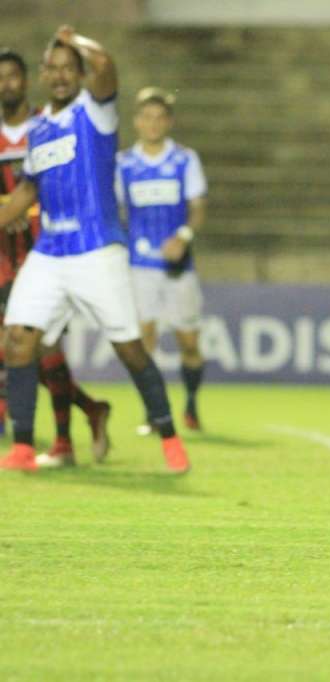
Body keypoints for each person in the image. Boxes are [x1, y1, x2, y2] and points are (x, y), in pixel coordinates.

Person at [0, 27, 189, 473]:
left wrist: (76, 39)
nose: (62, 76)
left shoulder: (96, 111)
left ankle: (169, 436)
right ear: (43, 74)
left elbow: (107, 68)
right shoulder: (40, 126)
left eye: (70, 69)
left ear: (81, 74)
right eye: (55, 68)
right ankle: (24, 447)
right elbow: (28, 191)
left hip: (97, 251)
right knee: (18, 341)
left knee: (129, 349)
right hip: (49, 252)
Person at [0, 47, 110, 467]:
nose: (6, 84)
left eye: (13, 76)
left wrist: (21, 208)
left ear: (26, 80)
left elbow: (68, 181)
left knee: (41, 346)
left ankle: (62, 441)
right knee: (17, 347)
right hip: (3, 256)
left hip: (45, 250)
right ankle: (87, 411)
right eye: (1, 77)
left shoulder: (48, 125)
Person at [116, 87, 207, 433]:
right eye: (147, 117)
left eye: (160, 117)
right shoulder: (124, 164)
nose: (153, 124)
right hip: (141, 265)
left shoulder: (185, 160)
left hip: (178, 267)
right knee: (145, 339)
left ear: (168, 122)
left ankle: (191, 402)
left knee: (188, 343)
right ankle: (155, 413)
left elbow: (198, 207)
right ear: (137, 122)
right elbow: (117, 211)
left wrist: (183, 237)